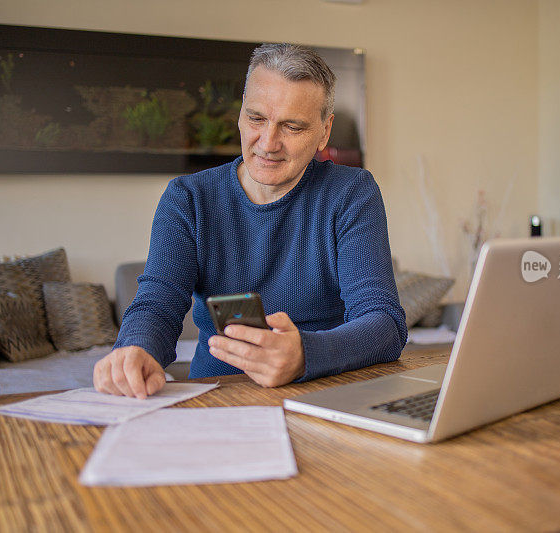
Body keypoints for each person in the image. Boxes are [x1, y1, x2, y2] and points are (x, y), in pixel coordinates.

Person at [93, 43, 407, 398]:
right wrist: (136, 349)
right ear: (241, 113)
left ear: (324, 131)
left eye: (292, 126)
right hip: (217, 395)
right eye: (257, 118)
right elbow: (158, 302)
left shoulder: (352, 192)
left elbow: (384, 324)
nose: (268, 143)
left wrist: (305, 355)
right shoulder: (188, 198)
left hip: (327, 392)